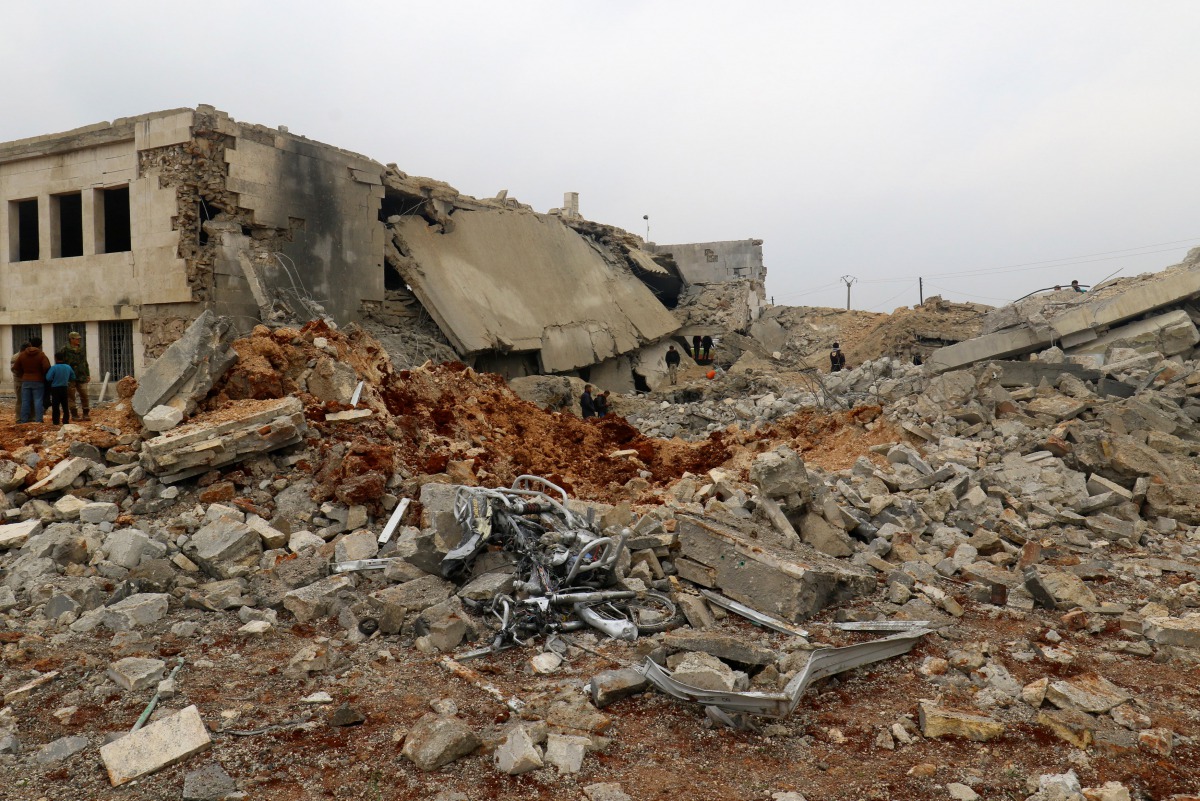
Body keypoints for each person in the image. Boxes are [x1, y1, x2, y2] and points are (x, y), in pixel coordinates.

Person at [14, 337, 50, 423]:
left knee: (25, 401)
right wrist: (42, 374)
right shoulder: (41, 354)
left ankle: (24, 420)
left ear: (30, 344)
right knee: (38, 400)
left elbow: (15, 367)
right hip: (38, 380)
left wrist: (22, 374)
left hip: (26, 380)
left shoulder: (22, 354)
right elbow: (46, 367)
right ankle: (38, 420)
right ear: (40, 345)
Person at [61, 331, 90, 420]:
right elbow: (62, 363)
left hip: (81, 375)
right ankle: (74, 414)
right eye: (77, 339)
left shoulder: (81, 349)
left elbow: (85, 362)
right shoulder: (65, 349)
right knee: (71, 396)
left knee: (84, 394)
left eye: (79, 339)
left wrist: (87, 374)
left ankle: (86, 414)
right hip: (70, 376)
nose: (78, 340)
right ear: (71, 339)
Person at [45, 351, 76, 426]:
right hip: (64, 387)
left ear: (55, 358)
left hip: (55, 389)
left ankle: (56, 421)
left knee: (55, 406)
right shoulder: (68, 367)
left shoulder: (54, 368)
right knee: (65, 405)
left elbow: (48, 378)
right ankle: (65, 420)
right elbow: (73, 377)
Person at [10, 341, 27, 422]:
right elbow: (14, 370)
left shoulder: (23, 356)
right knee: (20, 400)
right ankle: (18, 418)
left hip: (24, 381)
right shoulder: (16, 357)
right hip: (19, 382)